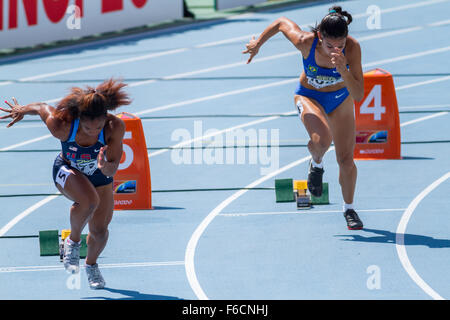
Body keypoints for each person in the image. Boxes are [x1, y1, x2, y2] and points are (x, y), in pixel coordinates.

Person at [1, 79, 131, 288]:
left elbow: (113, 169)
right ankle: (73, 241)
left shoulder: (114, 127)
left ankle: (91, 265)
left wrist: (105, 165)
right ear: (80, 118)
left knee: (100, 231)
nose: (93, 131)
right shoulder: (61, 125)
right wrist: (22, 110)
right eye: (89, 127)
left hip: (101, 177)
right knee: (89, 202)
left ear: (105, 118)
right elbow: (41, 107)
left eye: (98, 126)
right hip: (67, 170)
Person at [242, 6, 364, 230]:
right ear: (320, 36)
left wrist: (344, 70)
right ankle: (316, 164)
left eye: (340, 45)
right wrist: (258, 44)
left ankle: (349, 209)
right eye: (329, 46)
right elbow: (280, 22)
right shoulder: (306, 42)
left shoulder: (353, 49)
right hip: (310, 96)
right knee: (321, 141)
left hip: (341, 100)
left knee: (346, 160)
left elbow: (358, 94)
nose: (335, 50)